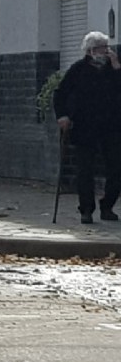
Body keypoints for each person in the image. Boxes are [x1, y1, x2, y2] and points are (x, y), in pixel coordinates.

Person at [53, 31, 121, 224]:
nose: (106, 51)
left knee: (116, 167)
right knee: (85, 170)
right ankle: (86, 209)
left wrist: (117, 69)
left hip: (112, 126)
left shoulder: (113, 69)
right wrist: (63, 116)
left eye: (107, 47)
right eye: (101, 47)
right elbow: (60, 93)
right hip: (85, 126)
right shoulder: (78, 69)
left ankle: (107, 206)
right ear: (91, 50)